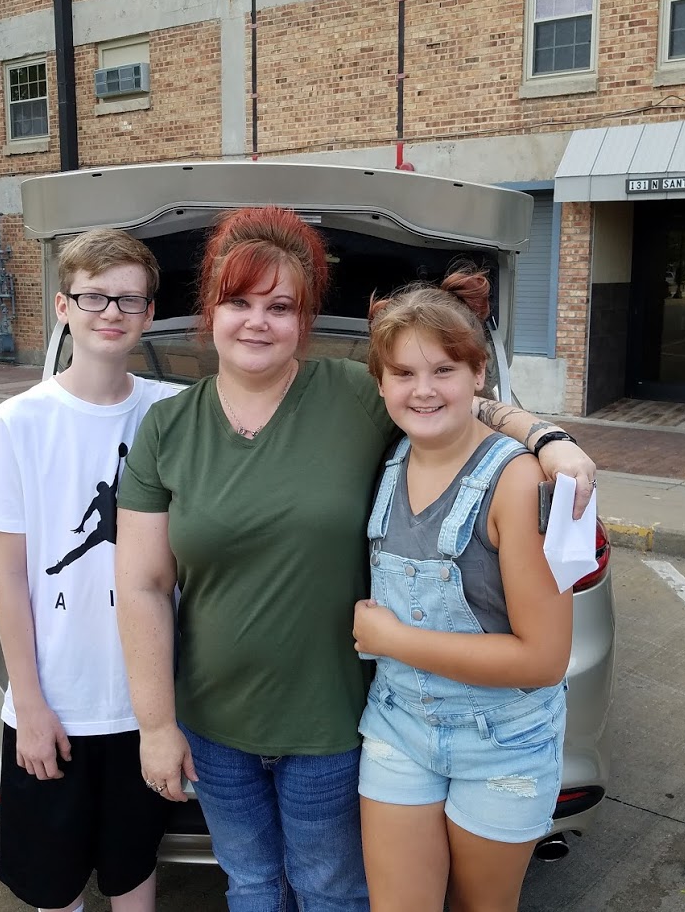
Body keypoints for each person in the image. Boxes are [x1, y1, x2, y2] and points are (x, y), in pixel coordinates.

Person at [114, 206, 595, 912]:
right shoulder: (167, 427)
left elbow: (449, 397)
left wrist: (546, 438)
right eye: (239, 302)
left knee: (332, 891)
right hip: (213, 725)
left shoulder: (351, 397)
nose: (257, 322)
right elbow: (143, 585)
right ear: (209, 311)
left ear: (304, 319)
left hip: (335, 721)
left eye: (280, 306)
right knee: (250, 887)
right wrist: (157, 726)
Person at [0, 228, 177, 912]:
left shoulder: (171, 411)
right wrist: (28, 704)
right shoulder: (18, 421)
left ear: (149, 313)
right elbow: (9, 577)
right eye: (94, 297)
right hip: (53, 705)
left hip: (144, 708)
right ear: (63, 307)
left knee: (133, 870)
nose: (112, 312)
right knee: (52, 885)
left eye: (129, 299)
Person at [351, 269, 572, 912]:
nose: (422, 390)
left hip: (501, 743)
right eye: (403, 373)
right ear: (381, 382)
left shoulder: (518, 482)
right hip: (398, 726)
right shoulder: (386, 456)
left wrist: (394, 640)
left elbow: (543, 659)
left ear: (478, 375)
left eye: (443, 370)